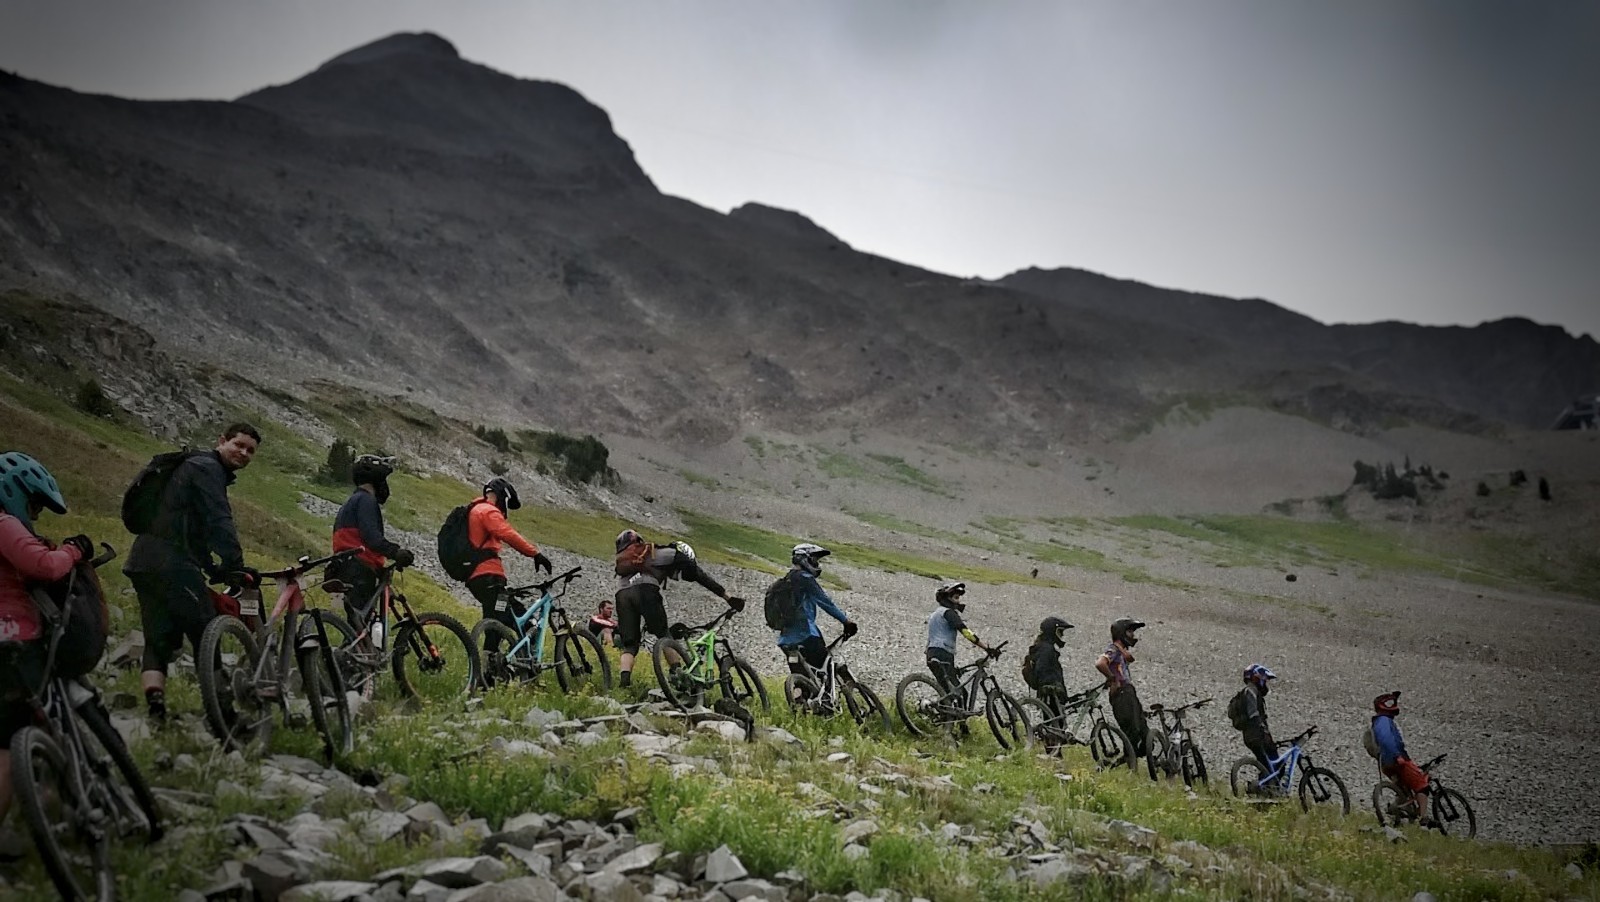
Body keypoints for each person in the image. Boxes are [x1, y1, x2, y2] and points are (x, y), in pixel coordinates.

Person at [124, 423, 259, 722]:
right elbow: (219, 520)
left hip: (143, 560)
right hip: (171, 563)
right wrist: (235, 565)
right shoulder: (208, 469)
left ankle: (156, 710)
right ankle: (224, 715)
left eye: (250, 451)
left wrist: (212, 568)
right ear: (221, 440)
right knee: (206, 632)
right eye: (238, 445)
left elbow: (191, 531)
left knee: (157, 638)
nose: (243, 453)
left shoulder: (193, 465)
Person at [0, 452, 93, 854]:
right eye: (35, 505)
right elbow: (43, 565)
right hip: (13, 641)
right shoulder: (3, 522)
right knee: (12, 739)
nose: (35, 515)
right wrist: (73, 551)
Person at [613, 529, 743, 688]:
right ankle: (678, 673)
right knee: (664, 634)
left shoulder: (625, 564)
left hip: (622, 595)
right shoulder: (657, 552)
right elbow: (698, 574)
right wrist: (727, 597)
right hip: (646, 591)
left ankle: (624, 683)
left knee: (630, 645)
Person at [464, 477, 551, 655]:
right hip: (489, 576)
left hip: (479, 577)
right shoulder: (488, 511)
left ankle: (490, 662)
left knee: (496, 618)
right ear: (502, 496)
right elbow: (507, 534)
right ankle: (521, 655)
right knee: (516, 616)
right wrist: (535, 554)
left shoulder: (475, 509)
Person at [328, 454, 414, 624]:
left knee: (356, 624)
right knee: (361, 625)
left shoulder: (350, 501)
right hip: (359, 568)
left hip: (344, 566)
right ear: (377, 479)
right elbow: (372, 538)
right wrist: (396, 552)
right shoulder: (366, 500)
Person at [773, 543, 855, 689]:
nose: (817, 564)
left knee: (802, 679)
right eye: (815, 559)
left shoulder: (786, 580)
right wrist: (846, 621)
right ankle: (834, 695)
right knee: (827, 664)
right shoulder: (805, 579)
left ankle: (800, 699)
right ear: (806, 559)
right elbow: (825, 602)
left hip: (786, 639)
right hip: (806, 634)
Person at [1370, 691, 1435, 827]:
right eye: (1389, 703)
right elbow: (1386, 739)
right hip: (1396, 759)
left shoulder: (1379, 721)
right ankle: (1423, 817)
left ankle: (1399, 810)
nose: (1393, 705)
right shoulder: (1383, 720)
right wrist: (1397, 755)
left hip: (1386, 762)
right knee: (1421, 785)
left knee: (1404, 788)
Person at [924, 582, 995, 699]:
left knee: (947, 692)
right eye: (956, 598)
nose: (958, 601)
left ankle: (943, 710)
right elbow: (965, 632)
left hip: (931, 654)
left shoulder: (935, 614)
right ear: (948, 598)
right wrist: (986, 648)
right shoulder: (948, 613)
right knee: (961, 694)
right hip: (944, 653)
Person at [1095, 618, 1148, 758]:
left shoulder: (1120, 650)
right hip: (1122, 693)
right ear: (1121, 633)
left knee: (1141, 727)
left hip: (1128, 691)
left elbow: (1129, 659)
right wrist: (1112, 678)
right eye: (1130, 631)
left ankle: (1137, 758)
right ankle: (1130, 761)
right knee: (1131, 730)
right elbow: (1100, 663)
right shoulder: (1113, 649)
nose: (1132, 635)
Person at [1236, 664, 1279, 789]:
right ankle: (1263, 788)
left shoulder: (1249, 691)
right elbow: (1253, 714)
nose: (1265, 683)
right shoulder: (1250, 691)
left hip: (1250, 736)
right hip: (1257, 735)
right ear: (1257, 678)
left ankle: (1266, 788)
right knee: (1276, 763)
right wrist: (1264, 731)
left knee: (1267, 764)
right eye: (1264, 680)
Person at [1025, 616, 1074, 715]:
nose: (1062, 635)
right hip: (1051, 694)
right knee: (1056, 720)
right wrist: (1054, 688)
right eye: (1060, 632)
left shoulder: (1043, 647)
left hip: (1049, 694)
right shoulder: (1047, 649)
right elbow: (1042, 670)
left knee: (1052, 719)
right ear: (1052, 632)